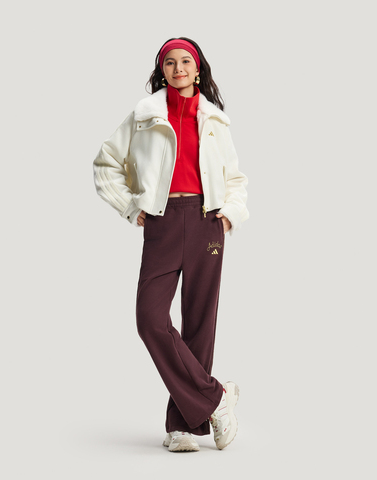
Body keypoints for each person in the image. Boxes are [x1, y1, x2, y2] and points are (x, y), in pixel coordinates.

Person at [93, 37, 249, 452]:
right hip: (161, 222)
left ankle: (183, 427)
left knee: (199, 323)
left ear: (198, 69)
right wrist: (131, 206)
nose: (178, 68)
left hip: (205, 221)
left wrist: (230, 214)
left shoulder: (215, 120)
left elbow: (234, 178)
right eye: (169, 62)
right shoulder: (144, 116)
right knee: (150, 319)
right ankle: (216, 398)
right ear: (161, 70)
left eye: (185, 62)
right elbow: (106, 162)